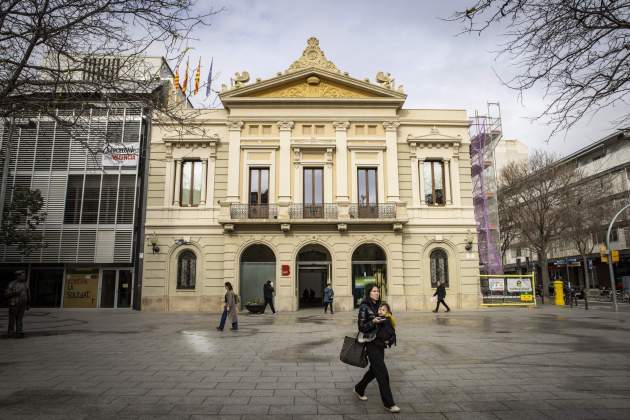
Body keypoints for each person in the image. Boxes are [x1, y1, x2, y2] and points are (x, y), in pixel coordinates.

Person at [353, 284, 400, 413]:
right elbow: (361, 327)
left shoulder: (380, 306)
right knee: (382, 374)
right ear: (369, 293)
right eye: (374, 291)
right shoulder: (364, 307)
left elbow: (387, 322)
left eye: (378, 291)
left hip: (380, 344)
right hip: (371, 344)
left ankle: (359, 388)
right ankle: (389, 403)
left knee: (374, 370)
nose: (377, 293)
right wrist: (373, 322)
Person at [5, 269, 30, 338]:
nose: (24, 277)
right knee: (12, 319)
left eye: (24, 275)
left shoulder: (25, 284)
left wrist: (28, 303)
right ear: (18, 276)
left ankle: (19, 331)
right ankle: (10, 332)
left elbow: (28, 294)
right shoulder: (12, 284)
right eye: (23, 275)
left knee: (20, 319)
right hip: (14, 304)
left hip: (22, 305)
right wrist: (15, 293)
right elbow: (6, 294)